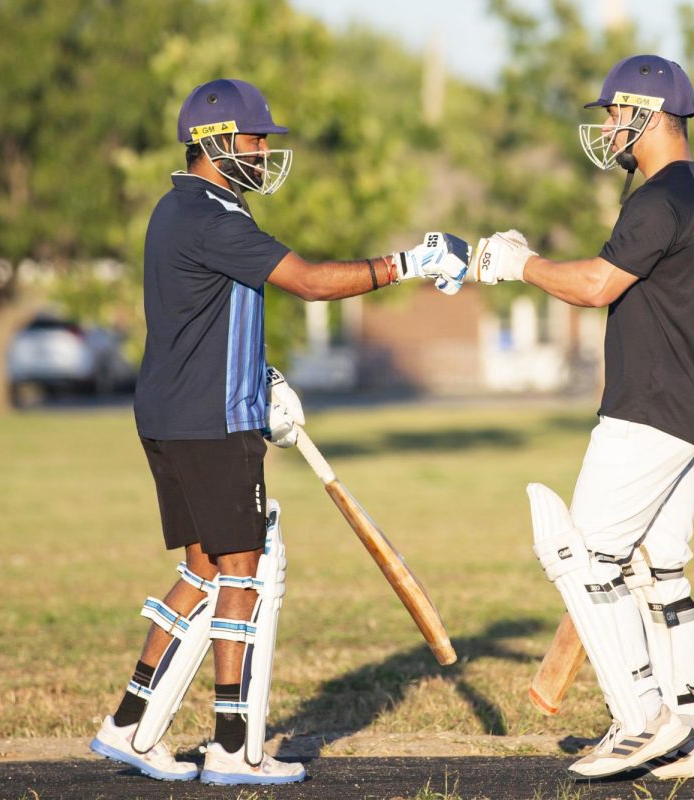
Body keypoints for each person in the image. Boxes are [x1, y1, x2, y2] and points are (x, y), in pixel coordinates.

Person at [88, 78, 469, 786]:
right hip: (212, 424)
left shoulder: (176, 211)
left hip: (173, 415)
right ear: (214, 142)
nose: (264, 152)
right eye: (255, 139)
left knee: (201, 571)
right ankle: (233, 747)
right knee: (245, 574)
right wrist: (410, 262)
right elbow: (314, 281)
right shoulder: (216, 218)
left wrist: (260, 377)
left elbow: (205, 319)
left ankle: (127, 727)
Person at [469, 55, 694, 780]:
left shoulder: (659, 198)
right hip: (692, 409)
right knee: (659, 570)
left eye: (617, 114)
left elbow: (593, 284)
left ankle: (640, 719)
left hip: (648, 409)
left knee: (582, 557)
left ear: (649, 115)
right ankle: (693, 733)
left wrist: (514, 263)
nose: (609, 128)